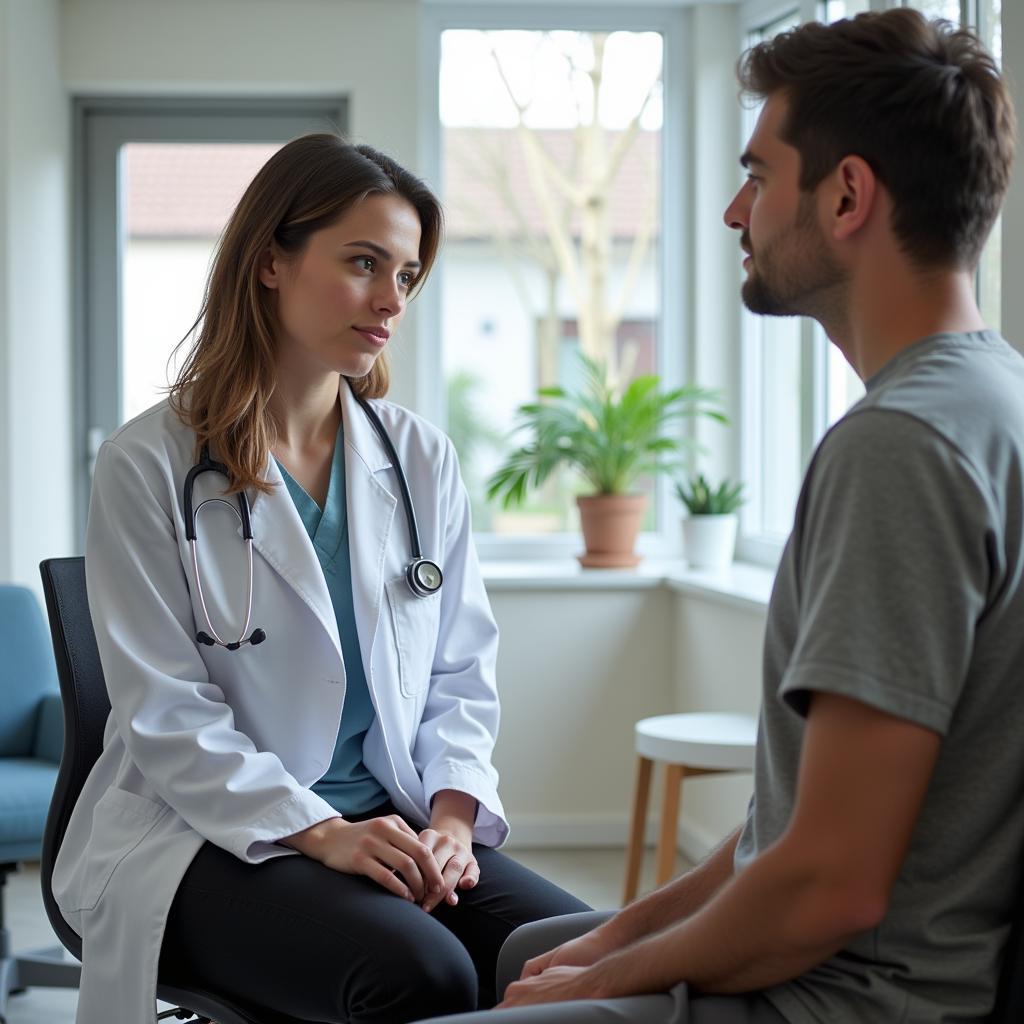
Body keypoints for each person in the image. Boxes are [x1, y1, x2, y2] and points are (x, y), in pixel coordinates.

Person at [417, 8, 1022, 1023]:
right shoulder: (991, 395)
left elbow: (829, 885)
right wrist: (612, 936)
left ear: (845, 195)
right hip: (866, 957)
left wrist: (605, 978)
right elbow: (775, 840)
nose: (736, 212)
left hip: (852, 998)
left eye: (756, 174)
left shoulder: (901, 447)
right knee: (534, 944)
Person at [54, 134, 589, 1024]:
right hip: (210, 836)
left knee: (582, 961)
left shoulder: (418, 456)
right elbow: (164, 711)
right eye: (364, 263)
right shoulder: (145, 464)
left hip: (396, 822)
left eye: (408, 275)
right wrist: (323, 832)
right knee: (422, 975)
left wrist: (453, 824)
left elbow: (461, 673)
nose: (391, 300)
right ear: (271, 262)